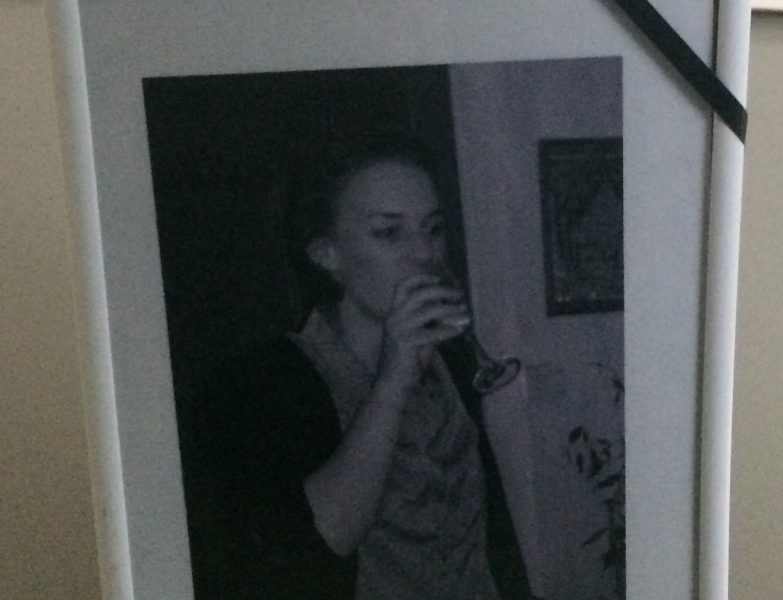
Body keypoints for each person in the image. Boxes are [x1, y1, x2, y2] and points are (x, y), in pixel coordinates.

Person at [182, 133, 529, 599]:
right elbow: (318, 543)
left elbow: (490, 539)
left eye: (433, 228)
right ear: (327, 254)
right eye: (389, 232)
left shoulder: (448, 363)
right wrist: (393, 380)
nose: (425, 254)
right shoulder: (263, 383)